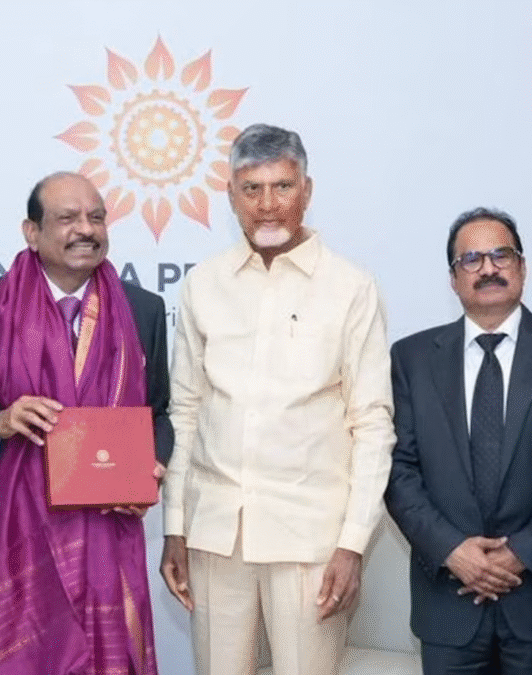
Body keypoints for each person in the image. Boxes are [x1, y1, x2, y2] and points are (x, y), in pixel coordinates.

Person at [0, 172, 171, 674]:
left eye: (96, 218)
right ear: (31, 231)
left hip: (108, 547)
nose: (86, 229)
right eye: (68, 218)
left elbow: (158, 414)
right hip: (12, 551)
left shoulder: (143, 310)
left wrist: (150, 467)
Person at [159, 123, 394, 675]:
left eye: (283, 187)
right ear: (231, 195)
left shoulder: (350, 286)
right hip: (216, 534)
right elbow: (185, 411)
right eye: (252, 189)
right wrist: (175, 527)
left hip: (311, 539)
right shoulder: (204, 285)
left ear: (306, 191)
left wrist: (353, 543)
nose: (268, 205)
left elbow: (372, 423)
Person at [384, 207, 532, 675]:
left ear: (522, 267)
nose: (487, 268)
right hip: (449, 597)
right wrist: (452, 550)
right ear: (453, 279)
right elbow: (397, 469)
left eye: (500, 255)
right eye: (471, 259)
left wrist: (521, 553)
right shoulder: (411, 358)